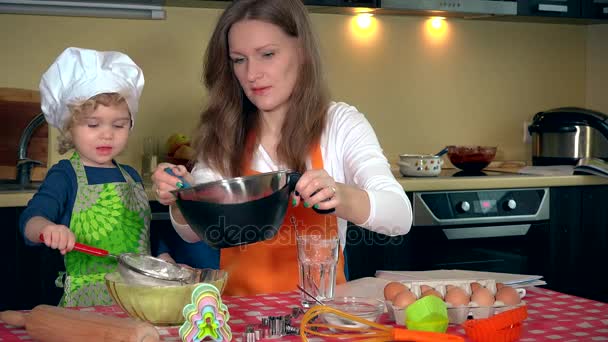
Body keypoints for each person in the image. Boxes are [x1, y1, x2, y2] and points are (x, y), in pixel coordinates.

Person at [152, 0, 413, 296]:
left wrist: (339, 195)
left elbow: (400, 217)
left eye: (267, 54)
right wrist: (180, 199)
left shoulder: (340, 124)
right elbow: (195, 234)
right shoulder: (225, 132)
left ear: (301, 52)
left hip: (319, 318)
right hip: (240, 321)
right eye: (239, 59)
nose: (252, 74)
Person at [19, 47, 149, 307]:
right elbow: (28, 222)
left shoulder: (132, 176)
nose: (107, 134)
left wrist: (164, 257)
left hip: (138, 297)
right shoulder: (65, 176)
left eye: (118, 125)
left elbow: (144, 234)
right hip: (86, 303)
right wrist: (47, 229)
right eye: (93, 124)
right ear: (69, 127)